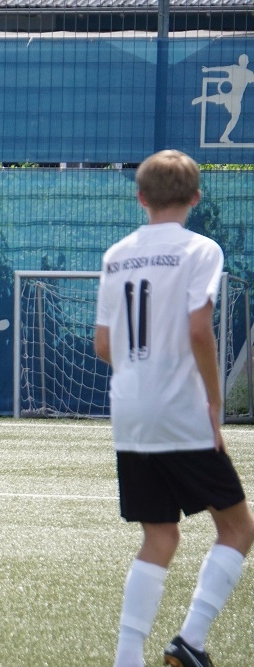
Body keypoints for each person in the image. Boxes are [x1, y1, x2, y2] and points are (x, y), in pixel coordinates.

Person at [94, 150, 254, 667]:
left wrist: (142, 372)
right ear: (195, 197)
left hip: (130, 412)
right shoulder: (201, 249)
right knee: (238, 528)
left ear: (140, 197)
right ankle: (190, 641)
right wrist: (213, 402)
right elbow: (198, 329)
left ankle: (128, 657)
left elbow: (103, 344)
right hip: (180, 409)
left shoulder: (117, 254)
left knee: (160, 535)